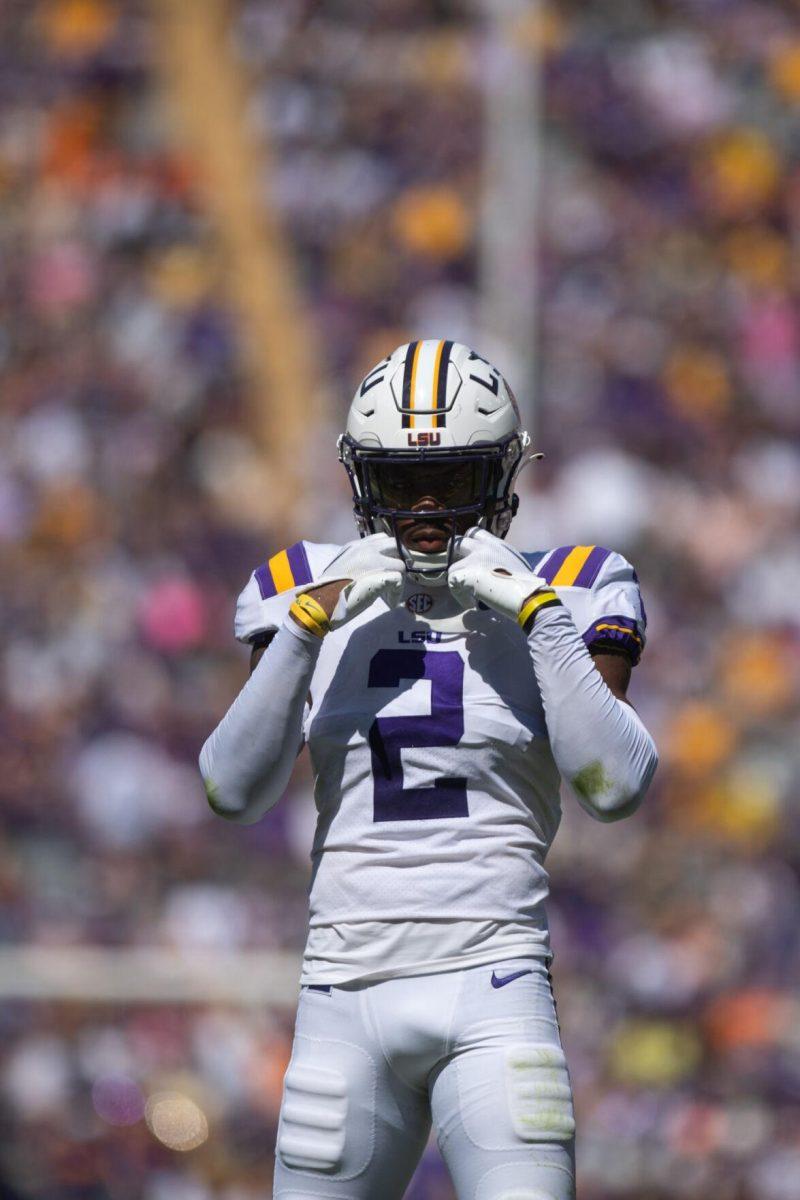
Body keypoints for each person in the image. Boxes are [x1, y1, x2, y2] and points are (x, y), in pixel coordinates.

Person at [199, 339, 658, 1200]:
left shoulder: (573, 582)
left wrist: (538, 617)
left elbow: (617, 784)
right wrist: (303, 627)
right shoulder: (302, 582)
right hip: (342, 987)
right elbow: (232, 788)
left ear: (499, 473)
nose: (423, 507)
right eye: (400, 480)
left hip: (495, 981)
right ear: (360, 478)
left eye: (450, 478)